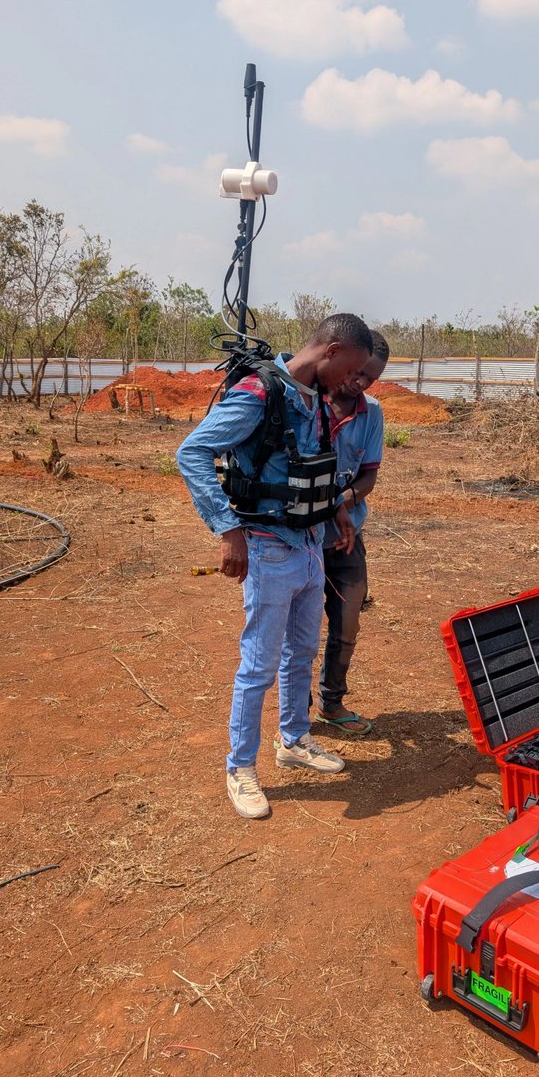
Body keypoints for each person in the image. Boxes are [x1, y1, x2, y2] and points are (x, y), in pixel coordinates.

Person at [176, 314, 374, 819]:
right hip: (267, 548)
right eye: (350, 370)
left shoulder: (315, 399)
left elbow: (311, 468)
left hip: (310, 547)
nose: (351, 382)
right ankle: (240, 768)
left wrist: (337, 513)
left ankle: (294, 739)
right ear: (330, 351)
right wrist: (228, 530)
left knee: (301, 652)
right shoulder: (260, 392)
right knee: (259, 665)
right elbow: (192, 452)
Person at [314, 330, 390, 736]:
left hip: (346, 537)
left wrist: (341, 501)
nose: (360, 382)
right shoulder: (308, 401)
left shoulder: (371, 413)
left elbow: (368, 477)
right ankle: (296, 713)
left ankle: (331, 702)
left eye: (370, 378)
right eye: (358, 372)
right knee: (300, 629)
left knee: (347, 621)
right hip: (305, 537)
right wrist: (331, 506)